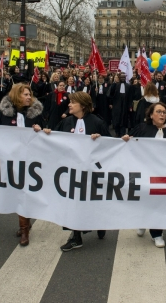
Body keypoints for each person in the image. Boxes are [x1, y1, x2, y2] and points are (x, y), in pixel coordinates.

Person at [36, 92, 111, 251]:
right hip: (71, 171)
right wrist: (47, 134)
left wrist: (100, 141)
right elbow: (56, 141)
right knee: (72, 203)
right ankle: (76, 237)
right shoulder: (66, 122)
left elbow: (110, 147)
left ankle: (99, 222)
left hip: (91, 172)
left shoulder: (97, 123)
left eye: (73, 102)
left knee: (92, 202)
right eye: (69, 102)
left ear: (83, 105)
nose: (69, 105)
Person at [0, 83, 44, 246]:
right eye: (25, 94)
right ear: (16, 96)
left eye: (30, 94)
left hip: (30, 160)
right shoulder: (3, 113)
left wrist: (41, 130)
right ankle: (25, 224)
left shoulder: (35, 113)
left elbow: (46, 131)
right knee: (17, 193)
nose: (29, 97)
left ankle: (24, 230)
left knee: (24, 193)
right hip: (10, 159)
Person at [121, 102, 166, 248]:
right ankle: (143, 221)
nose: (162, 115)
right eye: (158, 112)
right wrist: (127, 139)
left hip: (163, 173)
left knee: (159, 201)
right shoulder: (142, 128)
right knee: (144, 198)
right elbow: (131, 142)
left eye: (164, 112)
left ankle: (157, 233)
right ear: (151, 115)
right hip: (144, 171)